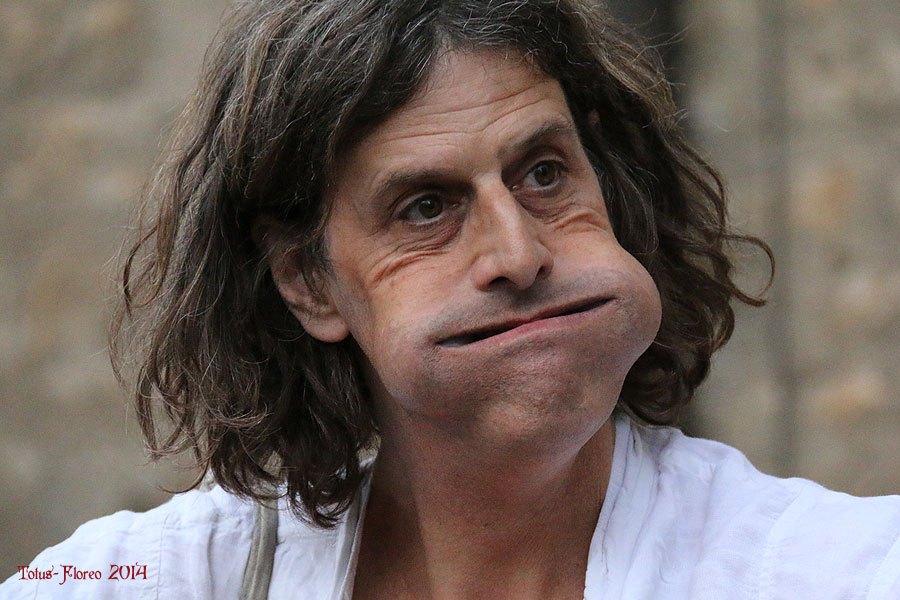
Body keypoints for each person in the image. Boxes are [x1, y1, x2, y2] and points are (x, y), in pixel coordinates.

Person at [3, 1, 899, 598]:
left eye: (544, 173)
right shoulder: (153, 578)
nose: (519, 253)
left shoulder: (839, 571)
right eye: (426, 207)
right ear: (308, 281)